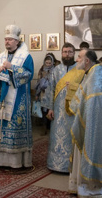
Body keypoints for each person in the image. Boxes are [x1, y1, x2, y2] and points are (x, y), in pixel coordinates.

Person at [68, 49, 102, 197]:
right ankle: (80, 184)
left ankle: (92, 188)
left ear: (87, 61)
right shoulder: (91, 73)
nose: (76, 60)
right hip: (85, 120)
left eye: (79, 57)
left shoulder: (96, 76)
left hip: (90, 124)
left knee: (89, 151)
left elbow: (92, 105)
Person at [0, 25, 34, 169]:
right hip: (1, 98)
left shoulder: (26, 56)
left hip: (17, 99)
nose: (7, 42)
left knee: (15, 128)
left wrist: (12, 68)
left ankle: (17, 163)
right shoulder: (0, 56)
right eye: (5, 39)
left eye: (10, 39)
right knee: (0, 126)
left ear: (17, 41)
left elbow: (28, 74)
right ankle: (1, 161)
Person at [41, 43, 77, 173]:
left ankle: (72, 165)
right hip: (58, 109)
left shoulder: (79, 70)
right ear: (61, 54)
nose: (67, 54)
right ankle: (56, 165)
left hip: (73, 109)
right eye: (65, 52)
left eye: (70, 52)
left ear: (74, 53)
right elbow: (50, 89)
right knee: (56, 136)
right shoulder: (56, 70)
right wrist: (50, 108)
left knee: (72, 136)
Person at [36, 53, 56, 135]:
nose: (48, 65)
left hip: (51, 93)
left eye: (49, 63)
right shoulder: (41, 70)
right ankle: (44, 129)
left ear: (52, 63)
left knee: (50, 111)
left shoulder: (55, 70)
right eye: (46, 63)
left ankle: (50, 128)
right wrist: (37, 94)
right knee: (43, 112)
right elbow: (38, 82)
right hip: (42, 93)